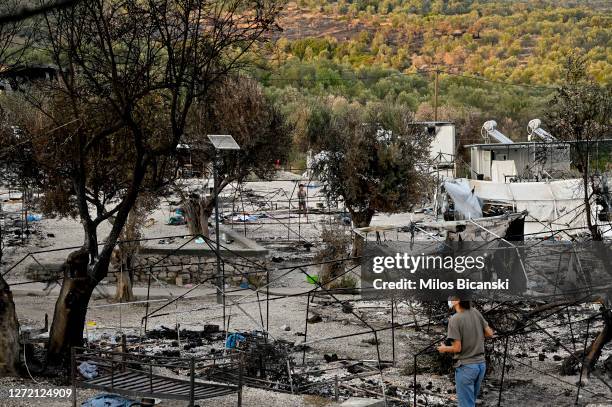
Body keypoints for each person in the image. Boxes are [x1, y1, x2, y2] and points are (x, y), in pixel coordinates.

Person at [438, 297, 494, 407]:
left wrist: (444, 349)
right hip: (481, 366)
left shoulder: (454, 319)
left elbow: (457, 348)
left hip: (466, 368)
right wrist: (474, 335)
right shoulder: (475, 311)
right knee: (470, 402)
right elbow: (490, 333)